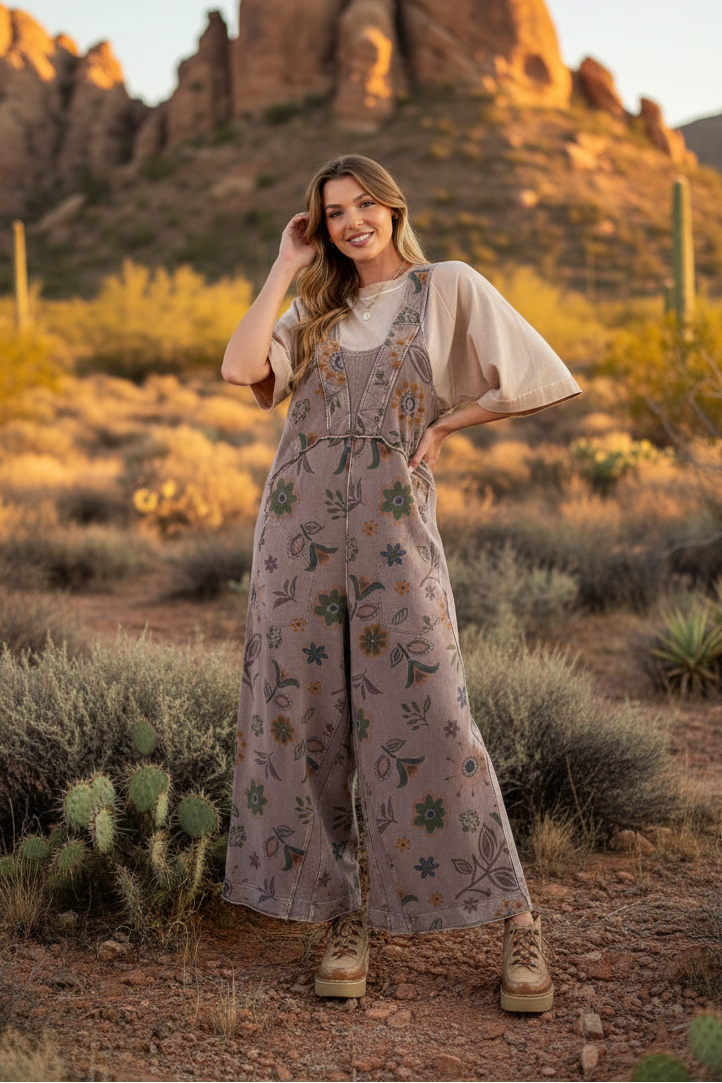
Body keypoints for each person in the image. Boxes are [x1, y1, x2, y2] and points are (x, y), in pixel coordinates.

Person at [221, 154, 581, 1013]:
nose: (349, 221)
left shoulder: (445, 285)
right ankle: (343, 917)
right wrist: (284, 265)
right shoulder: (313, 306)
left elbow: (533, 372)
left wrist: (454, 417)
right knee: (306, 716)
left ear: (391, 206)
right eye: (332, 211)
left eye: (362, 205)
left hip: (394, 528)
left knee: (433, 707)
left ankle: (516, 917)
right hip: (295, 532)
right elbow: (241, 371)